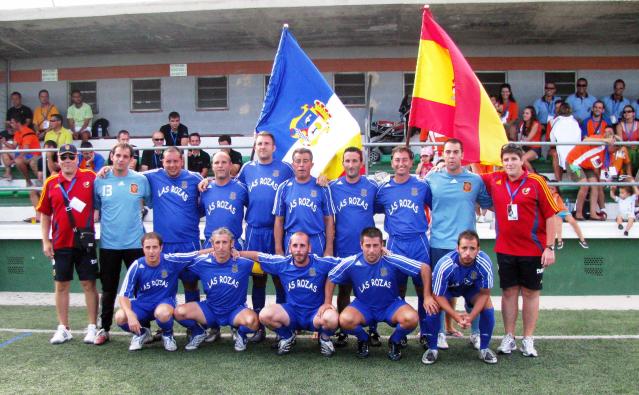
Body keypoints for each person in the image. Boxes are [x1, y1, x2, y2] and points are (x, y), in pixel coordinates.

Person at [481, 143, 560, 357]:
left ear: (521, 160)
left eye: (513, 159)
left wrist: (549, 247)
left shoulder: (536, 182)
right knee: (508, 293)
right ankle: (509, 337)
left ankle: (528, 339)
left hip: (533, 250)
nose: (509, 163)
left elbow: (551, 215)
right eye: (505, 160)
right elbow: (474, 175)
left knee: (530, 293)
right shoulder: (496, 179)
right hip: (505, 249)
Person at [327, 227, 437, 361]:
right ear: (361, 245)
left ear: (382, 245)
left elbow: (424, 268)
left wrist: (427, 296)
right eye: (368, 245)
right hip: (364, 307)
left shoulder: (391, 259)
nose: (372, 250)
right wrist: (327, 304)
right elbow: (331, 275)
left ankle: (395, 340)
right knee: (345, 320)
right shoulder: (352, 262)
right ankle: (363, 339)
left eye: (375, 245)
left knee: (411, 318)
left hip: (391, 305)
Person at [426, 138, 492, 350]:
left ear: (462, 154)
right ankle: (439, 333)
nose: (451, 156)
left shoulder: (475, 180)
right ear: (442, 154)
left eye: (455, 152)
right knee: (440, 291)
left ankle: (476, 333)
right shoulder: (432, 178)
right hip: (439, 242)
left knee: (474, 289)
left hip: (467, 247)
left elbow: (489, 203)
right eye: (448, 152)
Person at [239, 232, 341, 357]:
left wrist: (327, 302)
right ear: (290, 248)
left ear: (309, 248)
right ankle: (287, 336)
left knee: (333, 318)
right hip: (292, 313)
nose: (298, 250)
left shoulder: (321, 263)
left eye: (302, 246)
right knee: (265, 315)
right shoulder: (282, 263)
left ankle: (324, 339)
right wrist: (237, 253)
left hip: (315, 314)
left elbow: (345, 263)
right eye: (295, 246)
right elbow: (258, 256)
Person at [37, 143, 99, 345]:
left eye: (71, 156)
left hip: (85, 242)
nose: (67, 160)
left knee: (88, 284)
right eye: (63, 157)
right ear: (58, 159)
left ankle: (92, 327)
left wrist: (106, 168)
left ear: (77, 158)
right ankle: (64, 328)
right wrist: (45, 240)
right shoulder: (51, 182)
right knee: (61, 285)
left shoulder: (90, 177)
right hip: (60, 242)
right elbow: (45, 213)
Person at [234, 131, 294, 340]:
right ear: (255, 146)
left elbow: (300, 186)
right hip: (254, 232)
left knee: (280, 279)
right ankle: (258, 325)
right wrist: (209, 181)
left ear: (274, 147)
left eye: (266, 143)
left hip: (278, 232)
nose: (262, 147)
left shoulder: (285, 169)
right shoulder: (247, 169)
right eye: (259, 143)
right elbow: (232, 188)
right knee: (258, 280)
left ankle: (282, 324)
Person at [93, 142, 151, 345]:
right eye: (117, 155)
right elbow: (97, 206)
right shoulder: (100, 180)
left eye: (126, 156)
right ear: (111, 156)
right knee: (108, 288)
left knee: (139, 289)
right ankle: (103, 329)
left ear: (131, 159)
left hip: (135, 243)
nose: (121, 159)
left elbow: (149, 202)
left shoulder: (141, 180)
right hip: (109, 244)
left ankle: (145, 329)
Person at [374, 145, 432, 339]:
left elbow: (435, 206)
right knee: (398, 289)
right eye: (397, 160)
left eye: (404, 159)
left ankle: (426, 331)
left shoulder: (422, 186)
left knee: (423, 289)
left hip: (418, 242)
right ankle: (402, 331)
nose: (401, 163)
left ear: (411, 162)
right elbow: (373, 209)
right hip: (395, 244)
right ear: (391, 162)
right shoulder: (383, 190)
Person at [174, 228, 259, 352]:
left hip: (235, 310)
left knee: (253, 322)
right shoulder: (201, 262)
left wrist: (242, 253)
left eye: (225, 242)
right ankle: (198, 332)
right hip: (210, 309)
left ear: (232, 243)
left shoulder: (243, 263)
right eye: (217, 243)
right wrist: (208, 252)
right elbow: (178, 261)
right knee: (178, 312)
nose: (221, 247)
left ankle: (241, 334)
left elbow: (267, 264)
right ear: (212, 244)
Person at [115, 232, 202, 351]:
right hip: (143, 305)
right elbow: (123, 295)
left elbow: (195, 254)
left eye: (155, 247)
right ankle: (141, 333)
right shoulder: (137, 265)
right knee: (120, 316)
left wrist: (220, 249)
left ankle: (167, 334)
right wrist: (130, 315)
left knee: (162, 313)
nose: (151, 251)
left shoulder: (171, 260)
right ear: (143, 248)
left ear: (161, 248)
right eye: (148, 247)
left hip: (165, 303)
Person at [328, 147, 379, 347]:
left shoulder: (372, 186)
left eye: (354, 161)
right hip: (342, 247)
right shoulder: (333, 187)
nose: (350, 165)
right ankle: (343, 329)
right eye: (347, 161)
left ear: (361, 163)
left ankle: (372, 330)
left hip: (367, 250)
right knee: (344, 290)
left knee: (369, 290)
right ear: (343, 164)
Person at [422, 230, 497, 365]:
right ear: (457, 248)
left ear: (478, 249)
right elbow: (437, 295)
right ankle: (432, 349)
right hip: (447, 291)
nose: (468, 253)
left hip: (470, 289)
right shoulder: (445, 264)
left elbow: (485, 294)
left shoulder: (484, 263)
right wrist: (456, 316)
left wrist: (471, 316)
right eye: (464, 248)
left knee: (488, 304)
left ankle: (484, 348)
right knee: (432, 306)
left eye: (472, 248)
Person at [142, 147, 203, 305]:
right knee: (165, 284)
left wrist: (207, 181)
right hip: (164, 243)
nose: (172, 165)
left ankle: (193, 323)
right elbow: (130, 176)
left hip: (189, 242)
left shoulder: (195, 178)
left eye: (176, 161)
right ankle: (166, 326)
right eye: (168, 161)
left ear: (182, 161)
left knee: (191, 282)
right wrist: (108, 168)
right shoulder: (153, 176)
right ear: (162, 162)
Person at [273, 147, 335, 257]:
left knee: (316, 274)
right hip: (292, 241)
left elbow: (329, 219)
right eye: (298, 161)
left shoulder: (322, 187)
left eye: (305, 161)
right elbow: (279, 220)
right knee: (292, 273)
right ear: (293, 165)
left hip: (316, 240)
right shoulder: (284, 187)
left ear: (311, 165)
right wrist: (278, 249)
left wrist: (329, 248)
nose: (301, 165)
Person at [201, 151, 247, 249]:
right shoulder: (204, 189)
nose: (220, 165)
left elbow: (253, 209)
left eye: (224, 162)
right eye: (216, 163)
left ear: (230, 165)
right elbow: (198, 213)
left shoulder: (241, 189)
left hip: (234, 245)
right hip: (210, 245)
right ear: (212, 166)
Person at [566, 134, 616, 220]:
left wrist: (604, 181)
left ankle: (593, 214)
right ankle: (578, 214)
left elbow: (603, 175)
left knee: (595, 185)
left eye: (617, 148)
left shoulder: (609, 156)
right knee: (585, 185)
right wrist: (605, 140)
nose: (615, 150)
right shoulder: (601, 139)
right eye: (615, 146)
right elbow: (585, 140)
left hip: (586, 167)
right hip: (573, 162)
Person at [545, 176, 588, 249]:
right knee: (558, 222)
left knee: (573, 222)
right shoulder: (546, 197)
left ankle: (582, 239)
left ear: (556, 190)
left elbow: (554, 204)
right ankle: (559, 241)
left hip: (563, 211)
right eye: (549, 188)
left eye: (552, 189)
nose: (550, 190)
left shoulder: (556, 195)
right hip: (556, 214)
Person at [23, 140, 60, 224]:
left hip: (58, 182)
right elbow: (40, 176)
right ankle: (38, 216)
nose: (47, 151)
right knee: (33, 190)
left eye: (49, 149)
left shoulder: (60, 158)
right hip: (46, 181)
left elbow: (53, 172)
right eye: (46, 149)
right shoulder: (40, 160)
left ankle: (53, 215)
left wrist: (49, 158)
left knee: (46, 188)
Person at [3, 113, 41, 186]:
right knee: (5, 149)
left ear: (18, 123)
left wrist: (12, 161)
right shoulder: (17, 132)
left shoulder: (27, 132)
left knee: (18, 160)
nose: (10, 124)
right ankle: (8, 173)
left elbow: (26, 150)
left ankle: (28, 181)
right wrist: (4, 142)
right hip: (23, 154)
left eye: (12, 122)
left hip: (33, 155)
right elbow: (13, 147)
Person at [549, 103, 582, 182]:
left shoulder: (556, 121)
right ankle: (559, 182)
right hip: (572, 152)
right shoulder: (574, 122)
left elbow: (552, 139)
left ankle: (579, 179)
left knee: (563, 158)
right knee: (558, 156)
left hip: (572, 152)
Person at [517, 106, 542, 172]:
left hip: (535, 148)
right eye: (524, 113)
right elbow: (520, 139)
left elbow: (528, 139)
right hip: (524, 147)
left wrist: (518, 145)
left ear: (532, 115)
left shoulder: (536, 124)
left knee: (523, 159)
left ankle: (534, 176)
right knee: (516, 158)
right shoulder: (522, 124)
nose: (524, 115)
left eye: (527, 113)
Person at [615, 105, 639, 172]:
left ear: (633, 113)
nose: (626, 113)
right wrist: (629, 145)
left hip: (637, 149)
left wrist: (636, 145)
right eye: (624, 112)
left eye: (629, 111)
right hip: (625, 148)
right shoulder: (619, 125)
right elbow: (620, 141)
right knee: (622, 152)